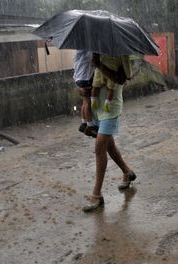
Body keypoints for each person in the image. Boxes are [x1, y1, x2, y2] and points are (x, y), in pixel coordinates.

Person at [83, 53, 136, 212]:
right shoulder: (95, 49)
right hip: (96, 106)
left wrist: (99, 65)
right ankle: (127, 172)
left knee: (99, 147)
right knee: (109, 146)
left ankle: (96, 195)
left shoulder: (121, 52)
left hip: (110, 107)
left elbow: (122, 79)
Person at [73, 50, 98, 138]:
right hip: (85, 78)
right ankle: (90, 126)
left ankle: (84, 123)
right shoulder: (88, 51)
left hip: (78, 79)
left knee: (84, 101)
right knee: (88, 102)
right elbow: (93, 61)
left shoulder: (78, 52)